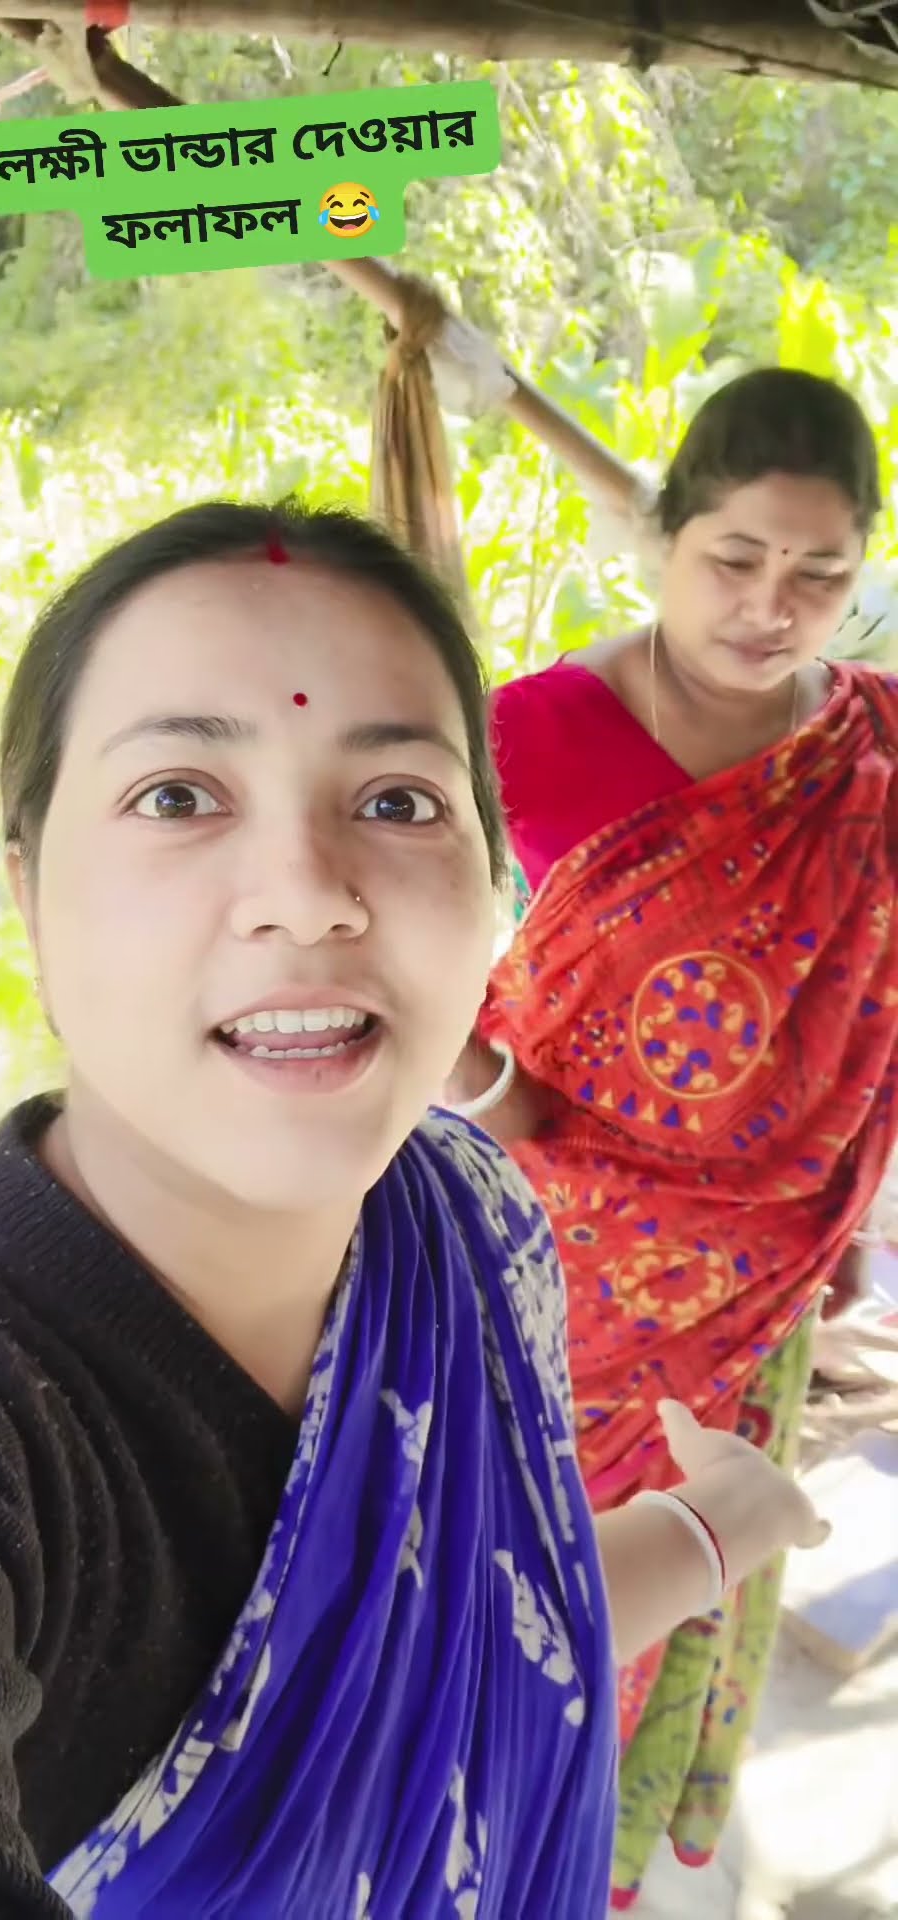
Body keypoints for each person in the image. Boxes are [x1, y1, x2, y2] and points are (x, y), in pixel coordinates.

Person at [0, 501, 825, 1919]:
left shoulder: (465, 1213)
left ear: (495, 887)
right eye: (178, 796)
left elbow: (476, 1652)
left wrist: (716, 1524)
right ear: (30, 893)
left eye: (399, 802)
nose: (306, 898)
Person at [448, 368, 898, 1909]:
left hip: (760, 1275)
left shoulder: (867, 751)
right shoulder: (529, 736)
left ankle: (596, 1854)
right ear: (664, 539)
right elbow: (404, 963)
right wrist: (494, 1098)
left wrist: (835, 1217)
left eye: (820, 573)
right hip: (545, 1262)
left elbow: (868, 1004)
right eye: (736, 558)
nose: (772, 607)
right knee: (506, 1557)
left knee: (686, 1569)